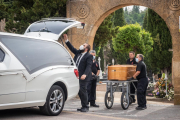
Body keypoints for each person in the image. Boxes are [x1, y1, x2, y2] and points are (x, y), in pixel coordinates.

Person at [63, 34, 93, 112]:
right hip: (77, 76)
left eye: (84, 45)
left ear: (86, 49)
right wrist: (66, 40)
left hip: (84, 76)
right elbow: (72, 48)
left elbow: (89, 66)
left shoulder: (89, 56)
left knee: (83, 90)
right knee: (79, 91)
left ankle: (86, 106)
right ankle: (83, 106)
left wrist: (85, 74)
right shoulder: (78, 53)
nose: (82, 46)